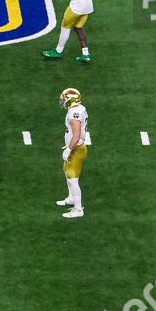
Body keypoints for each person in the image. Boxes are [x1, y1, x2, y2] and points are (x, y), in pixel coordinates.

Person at [57, 86, 89, 216]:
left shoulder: (74, 114)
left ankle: (78, 209)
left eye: (64, 99)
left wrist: (69, 149)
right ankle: (71, 198)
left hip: (76, 149)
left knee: (72, 179)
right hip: (76, 147)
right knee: (67, 172)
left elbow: (76, 135)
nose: (63, 101)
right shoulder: (79, 109)